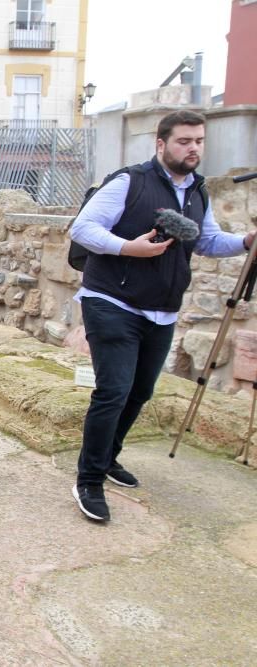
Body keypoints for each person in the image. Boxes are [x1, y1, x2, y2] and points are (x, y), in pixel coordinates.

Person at [69, 110, 256, 522]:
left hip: (162, 312)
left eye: (199, 142)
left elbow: (206, 241)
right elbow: (82, 229)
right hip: (111, 302)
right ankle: (90, 479)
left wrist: (245, 241)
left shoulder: (197, 192)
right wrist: (126, 248)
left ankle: (108, 457)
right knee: (113, 390)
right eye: (184, 141)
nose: (193, 149)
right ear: (161, 143)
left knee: (140, 393)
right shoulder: (129, 182)